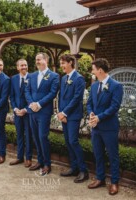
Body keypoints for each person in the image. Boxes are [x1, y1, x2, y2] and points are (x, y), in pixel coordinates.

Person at [86, 58, 123, 195]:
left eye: (93, 69)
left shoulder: (116, 86)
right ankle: (100, 178)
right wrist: (91, 114)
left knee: (113, 155)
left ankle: (114, 182)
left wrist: (99, 117)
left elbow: (115, 106)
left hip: (109, 127)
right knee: (98, 154)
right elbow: (89, 103)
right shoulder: (94, 85)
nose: (92, 71)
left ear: (100, 70)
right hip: (96, 127)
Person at [25, 52, 59, 176]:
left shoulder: (54, 76)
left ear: (46, 60)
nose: (37, 61)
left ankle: (47, 164)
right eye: (36, 60)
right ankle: (39, 161)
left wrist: (39, 104)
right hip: (32, 111)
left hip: (44, 111)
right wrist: (31, 104)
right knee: (35, 136)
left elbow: (52, 93)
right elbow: (27, 91)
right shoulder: (32, 75)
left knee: (42, 137)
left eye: (39, 59)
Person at [57, 54, 89, 183]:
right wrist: (60, 113)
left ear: (71, 63)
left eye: (63, 63)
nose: (61, 65)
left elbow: (77, 98)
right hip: (64, 115)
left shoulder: (79, 79)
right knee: (68, 142)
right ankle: (74, 168)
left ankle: (83, 170)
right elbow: (61, 97)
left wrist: (65, 112)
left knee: (73, 141)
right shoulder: (64, 78)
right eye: (61, 63)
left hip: (73, 115)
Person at [9, 59, 33, 168]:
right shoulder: (13, 79)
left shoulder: (32, 77)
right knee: (19, 135)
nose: (24, 67)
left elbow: (33, 96)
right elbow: (12, 96)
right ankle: (19, 157)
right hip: (17, 113)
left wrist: (25, 109)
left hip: (28, 113)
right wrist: (15, 109)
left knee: (28, 135)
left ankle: (28, 158)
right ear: (17, 67)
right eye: (21, 65)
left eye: (25, 65)